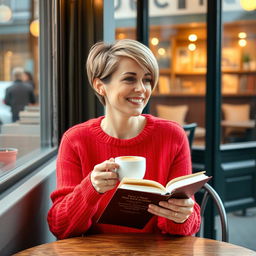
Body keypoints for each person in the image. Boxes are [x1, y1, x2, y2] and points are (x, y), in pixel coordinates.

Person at [47, 39, 201, 239]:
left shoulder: (172, 135)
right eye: (130, 79)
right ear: (100, 86)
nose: (142, 88)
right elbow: (60, 227)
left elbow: (187, 227)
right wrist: (90, 188)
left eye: (147, 79)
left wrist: (182, 216)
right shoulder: (76, 140)